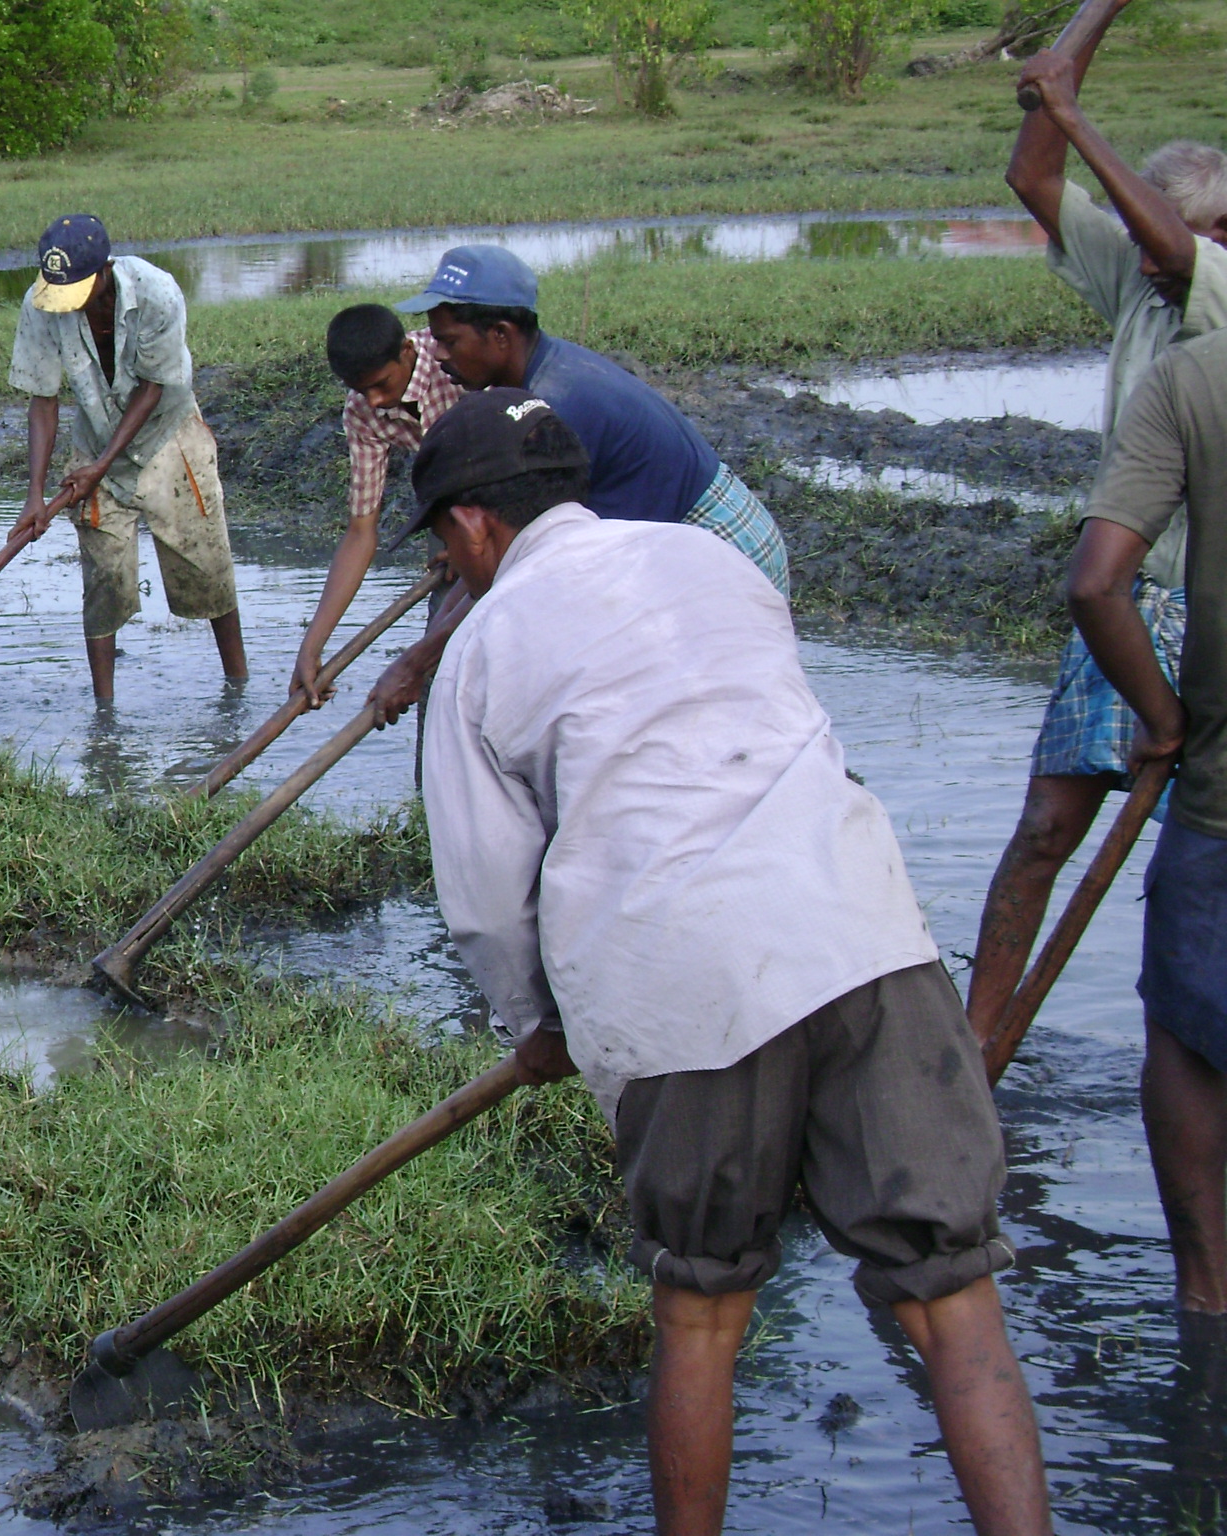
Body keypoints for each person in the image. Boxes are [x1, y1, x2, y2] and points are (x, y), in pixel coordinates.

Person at [408, 389, 1052, 1536]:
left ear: (469, 528)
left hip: (675, 975)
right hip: (862, 931)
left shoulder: (480, 649)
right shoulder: (712, 562)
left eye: (446, 548)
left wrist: (534, 1028)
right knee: (951, 1291)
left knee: (703, 1307)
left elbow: (487, 903)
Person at [968, 0, 1227, 1041]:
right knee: (1045, 830)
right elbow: (1029, 182)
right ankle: (976, 1039)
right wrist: (1086, 26)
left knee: (1195, 847)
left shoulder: (1213, 289)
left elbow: (1169, 246)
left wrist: (1076, 118)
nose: (1164, 250)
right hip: (1124, 599)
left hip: (1195, 609)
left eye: (1193, 235)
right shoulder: (1138, 279)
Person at [363, 245, 788, 728]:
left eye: (449, 341)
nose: (436, 354)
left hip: (722, 547)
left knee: (725, 713)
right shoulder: (537, 382)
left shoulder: (554, 410)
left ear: (500, 335)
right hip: (678, 541)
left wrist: (419, 661)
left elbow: (530, 564)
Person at [1066, 328, 1227, 1317]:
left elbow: (1094, 581)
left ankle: (1205, 1297)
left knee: (1183, 1033)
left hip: (1214, 791)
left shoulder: (1194, 374)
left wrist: (1161, 716)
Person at [6, 214, 246, 702]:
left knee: (205, 564)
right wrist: (34, 493)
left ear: (104, 272)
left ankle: (239, 687)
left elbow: (155, 387)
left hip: (168, 435)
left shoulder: (157, 293)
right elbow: (43, 401)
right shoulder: (41, 305)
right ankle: (104, 715)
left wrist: (103, 466)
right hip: (94, 441)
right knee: (104, 579)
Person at [289, 303, 462, 709]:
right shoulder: (363, 410)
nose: (376, 400)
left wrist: (483, 533)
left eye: (383, 384)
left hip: (515, 493)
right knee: (442, 656)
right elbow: (361, 531)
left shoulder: (454, 364)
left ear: (406, 351)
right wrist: (312, 646)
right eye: (361, 389)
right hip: (452, 507)